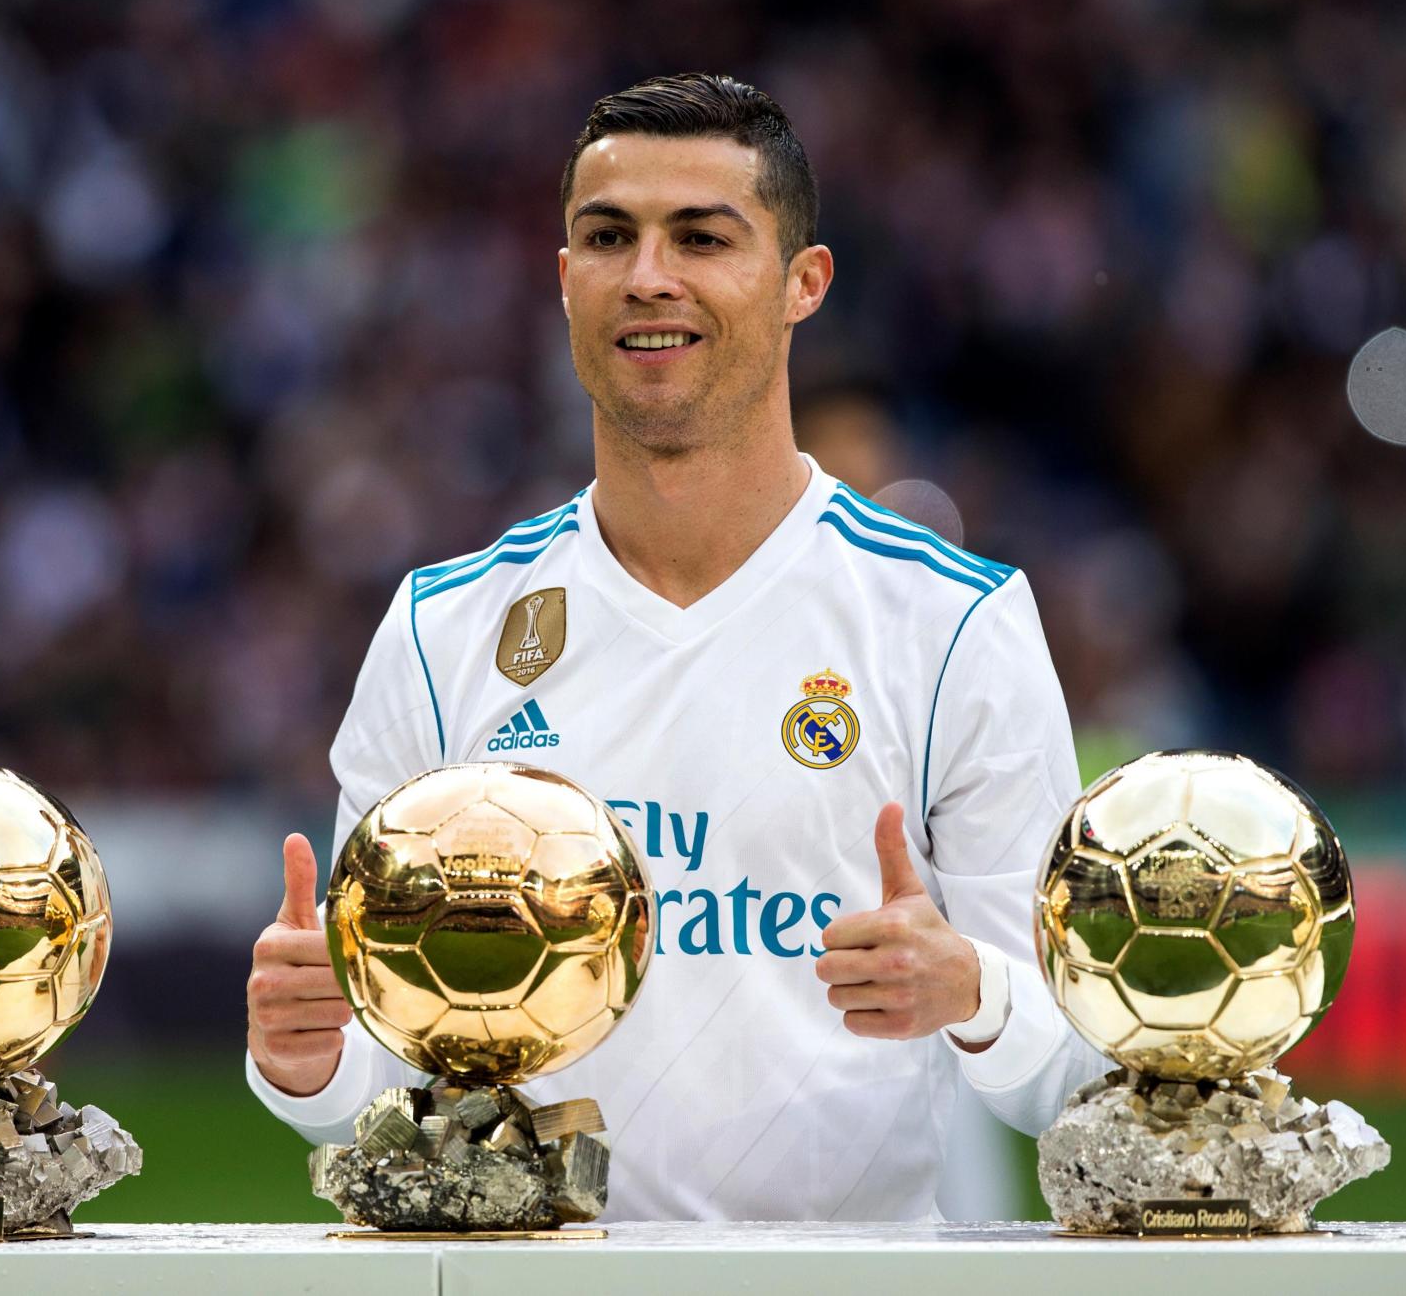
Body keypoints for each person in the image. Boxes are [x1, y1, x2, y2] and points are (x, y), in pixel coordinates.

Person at [246, 74, 1108, 1221]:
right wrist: (304, 1054)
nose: (648, 275)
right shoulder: (442, 627)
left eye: (702, 237)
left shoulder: (952, 622)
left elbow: (1077, 1065)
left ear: (803, 283)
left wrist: (974, 990)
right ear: (564, 282)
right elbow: (374, 1072)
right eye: (608, 237)